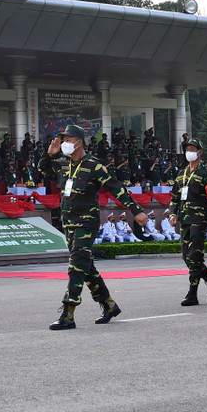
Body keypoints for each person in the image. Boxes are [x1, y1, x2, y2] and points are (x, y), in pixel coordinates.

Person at [40, 124, 147, 330]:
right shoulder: (62, 163)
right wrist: (49, 154)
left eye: (68, 140)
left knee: (76, 266)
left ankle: (68, 313)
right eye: (62, 140)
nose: (64, 143)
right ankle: (109, 305)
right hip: (68, 223)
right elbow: (42, 169)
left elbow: (117, 189)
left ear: (79, 142)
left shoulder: (94, 166)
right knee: (85, 266)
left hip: (86, 223)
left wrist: (137, 210)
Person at [168, 137, 207, 306]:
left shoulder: (205, 173)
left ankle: (192, 293)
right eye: (187, 149)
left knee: (195, 256)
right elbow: (175, 196)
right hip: (184, 220)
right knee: (187, 257)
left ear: (200, 152)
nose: (189, 152)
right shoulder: (181, 173)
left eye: (193, 149)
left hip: (199, 220)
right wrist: (172, 213)